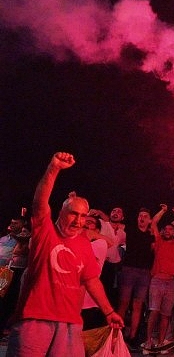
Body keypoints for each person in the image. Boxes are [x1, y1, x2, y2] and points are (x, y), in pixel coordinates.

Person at [6, 152, 124, 356]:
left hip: (70, 323)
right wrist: (54, 169)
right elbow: (39, 203)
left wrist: (109, 312)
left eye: (83, 216)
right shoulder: (46, 232)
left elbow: (92, 281)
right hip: (36, 319)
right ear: (60, 213)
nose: (78, 220)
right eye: (73, 213)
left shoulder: (84, 244)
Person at [143, 204, 174, 351]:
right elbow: (154, 223)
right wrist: (163, 211)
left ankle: (161, 341)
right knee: (154, 311)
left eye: (171, 229)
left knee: (166, 314)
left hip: (170, 282)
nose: (168, 231)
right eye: (166, 229)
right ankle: (148, 340)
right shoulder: (158, 242)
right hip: (157, 280)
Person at [117, 207, 155, 347]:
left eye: (145, 215)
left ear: (149, 219)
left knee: (138, 305)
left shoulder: (151, 235)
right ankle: (117, 334)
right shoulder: (130, 230)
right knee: (123, 302)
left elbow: (156, 247)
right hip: (129, 269)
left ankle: (132, 336)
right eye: (140, 215)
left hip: (144, 272)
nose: (142, 217)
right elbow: (114, 222)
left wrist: (154, 226)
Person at [89, 206, 127, 307]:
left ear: (122, 217)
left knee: (107, 292)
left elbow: (124, 244)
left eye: (119, 212)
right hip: (99, 263)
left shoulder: (122, 234)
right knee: (94, 290)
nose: (115, 213)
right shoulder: (102, 224)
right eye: (113, 211)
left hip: (111, 267)